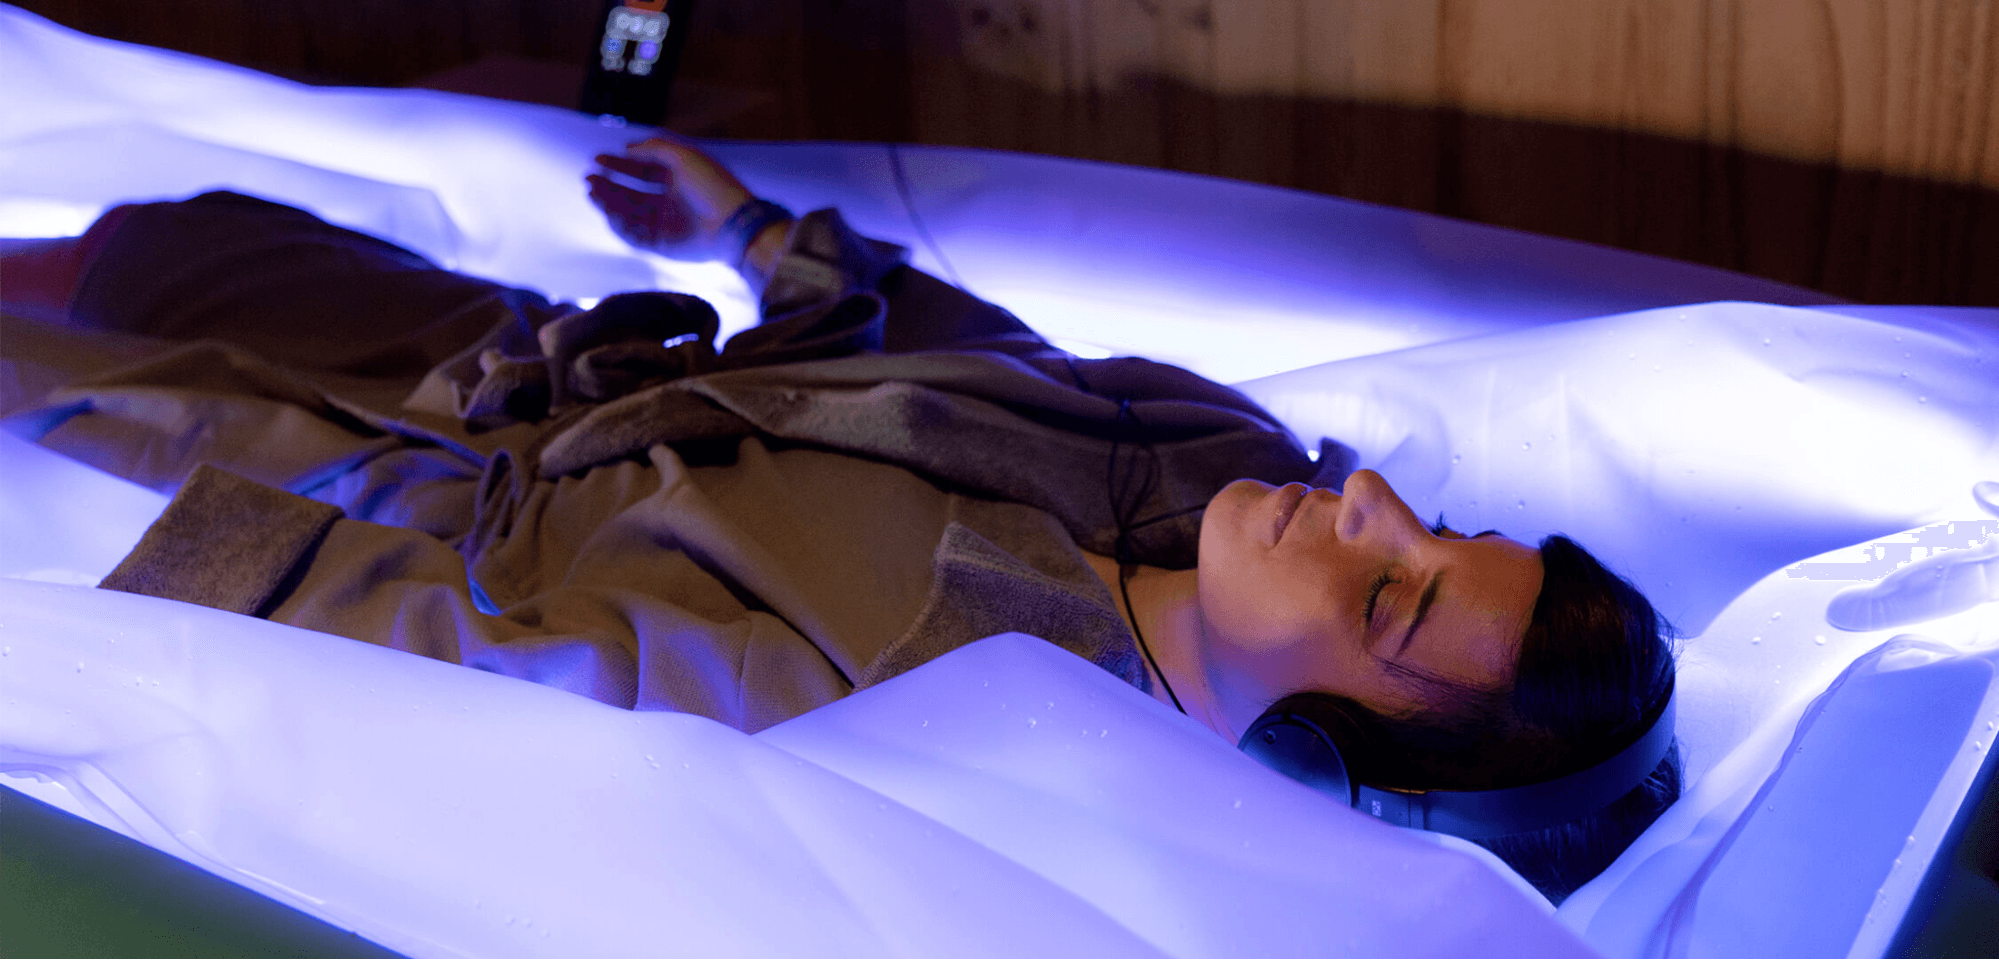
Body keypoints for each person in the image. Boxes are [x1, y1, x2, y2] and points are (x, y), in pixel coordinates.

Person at [0, 136, 1678, 902]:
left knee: (53, 363)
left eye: (1387, 597)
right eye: (1429, 523)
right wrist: (752, 235)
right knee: (168, 227)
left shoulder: (929, 703)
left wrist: (111, 572)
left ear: (1313, 764)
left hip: (381, 473)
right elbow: (977, 347)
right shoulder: (1202, 451)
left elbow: (482, 664)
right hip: (534, 356)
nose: (1360, 503)